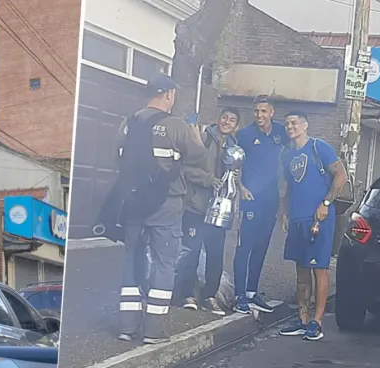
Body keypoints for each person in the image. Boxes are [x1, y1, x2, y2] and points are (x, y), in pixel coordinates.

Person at [116, 73, 207, 344]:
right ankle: (154, 330)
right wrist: (197, 136)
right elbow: (198, 156)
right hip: (166, 203)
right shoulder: (175, 126)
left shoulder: (128, 123)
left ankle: (126, 326)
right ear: (169, 94)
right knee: (165, 262)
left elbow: (117, 158)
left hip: (132, 203)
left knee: (132, 259)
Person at [278, 112, 348, 341]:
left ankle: (317, 322)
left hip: (319, 218)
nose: (290, 127)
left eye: (295, 123)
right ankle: (302, 318)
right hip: (297, 218)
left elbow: (341, 175)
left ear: (305, 125)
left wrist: (326, 203)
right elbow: (289, 186)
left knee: (320, 269)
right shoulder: (288, 155)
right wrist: (285, 213)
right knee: (301, 270)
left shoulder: (319, 147)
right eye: (287, 123)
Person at [175, 108, 240, 316]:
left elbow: (236, 177)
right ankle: (186, 294)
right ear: (218, 119)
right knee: (191, 252)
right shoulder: (202, 138)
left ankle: (209, 297)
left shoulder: (235, 149)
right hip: (196, 207)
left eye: (232, 120)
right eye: (224, 117)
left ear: (236, 126)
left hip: (219, 211)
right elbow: (185, 168)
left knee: (215, 255)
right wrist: (209, 180)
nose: (226, 122)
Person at [232, 95, 289, 314]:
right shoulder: (245, 135)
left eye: (264, 111)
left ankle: (251, 292)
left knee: (261, 246)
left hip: (270, 198)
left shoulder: (280, 133)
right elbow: (234, 164)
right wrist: (241, 187)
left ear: (272, 113)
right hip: (250, 198)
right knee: (244, 245)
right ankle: (239, 295)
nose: (260, 115)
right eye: (256, 111)